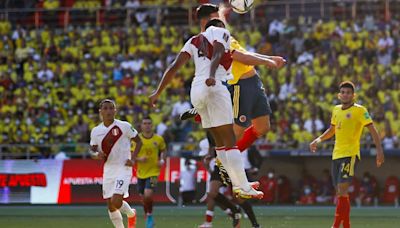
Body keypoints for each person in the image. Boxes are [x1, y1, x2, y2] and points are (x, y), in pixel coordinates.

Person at [149, 18, 263, 199]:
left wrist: (157, 92)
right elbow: (218, 51)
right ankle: (243, 186)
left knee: (219, 143)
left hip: (196, 90)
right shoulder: (220, 32)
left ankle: (238, 184)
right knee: (230, 141)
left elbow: (174, 67)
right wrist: (211, 75)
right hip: (215, 86)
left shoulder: (192, 40)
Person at [180, 3, 286, 153]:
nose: (221, 19)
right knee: (237, 132)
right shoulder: (212, 38)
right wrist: (267, 61)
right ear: (207, 20)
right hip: (239, 85)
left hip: (252, 80)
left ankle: (205, 113)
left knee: (263, 127)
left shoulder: (222, 34)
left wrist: (270, 57)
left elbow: (244, 53)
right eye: (217, 16)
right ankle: (221, 164)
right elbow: (241, 57)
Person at [309, 81, 385, 228]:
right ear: (339, 95)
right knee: (340, 193)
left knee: (343, 189)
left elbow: (373, 130)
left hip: (350, 154)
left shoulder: (360, 110)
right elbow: (331, 130)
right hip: (336, 155)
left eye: (348, 93)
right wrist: (317, 140)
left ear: (353, 95)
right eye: (343, 92)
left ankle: (336, 225)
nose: (345, 95)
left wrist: (379, 150)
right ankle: (347, 225)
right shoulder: (336, 110)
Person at [90, 99, 141, 228]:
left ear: (115, 110)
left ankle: (131, 214)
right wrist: (97, 155)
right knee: (110, 205)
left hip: (124, 167)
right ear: (100, 111)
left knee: (116, 201)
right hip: (108, 169)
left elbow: (139, 142)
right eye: (105, 108)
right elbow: (93, 150)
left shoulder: (124, 126)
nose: (108, 111)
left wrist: (133, 158)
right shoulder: (96, 131)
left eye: (111, 108)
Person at [133, 116, 167, 228]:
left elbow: (163, 150)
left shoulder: (158, 139)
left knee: (148, 195)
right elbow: (131, 156)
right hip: (141, 173)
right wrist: (139, 159)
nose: (147, 125)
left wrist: (162, 159)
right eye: (145, 123)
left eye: (149, 123)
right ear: (141, 126)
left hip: (154, 172)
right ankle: (147, 214)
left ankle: (150, 215)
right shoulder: (136, 140)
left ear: (152, 125)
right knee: (143, 198)